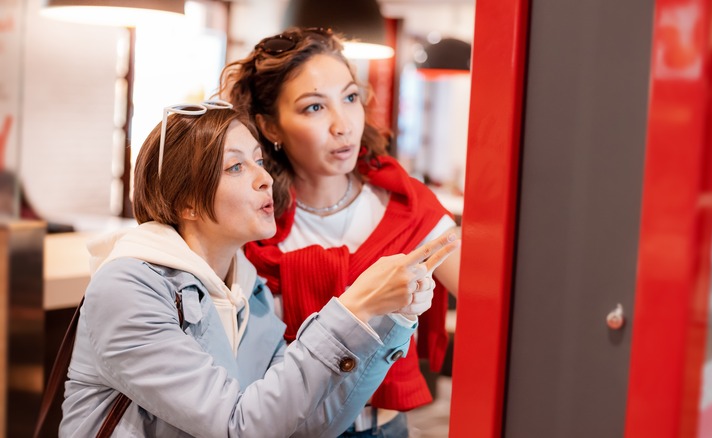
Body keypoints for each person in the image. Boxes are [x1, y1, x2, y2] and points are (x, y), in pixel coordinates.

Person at [58, 101, 459, 437]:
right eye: (236, 168)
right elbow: (238, 427)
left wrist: (390, 317)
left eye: (259, 161)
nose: (264, 179)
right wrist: (350, 309)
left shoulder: (251, 291)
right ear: (186, 204)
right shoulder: (129, 287)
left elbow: (311, 427)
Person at [219, 27, 462, 437]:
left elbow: (495, 300)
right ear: (270, 127)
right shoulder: (251, 222)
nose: (342, 125)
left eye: (350, 98)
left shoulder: (403, 208)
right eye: (314, 108)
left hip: (382, 429)